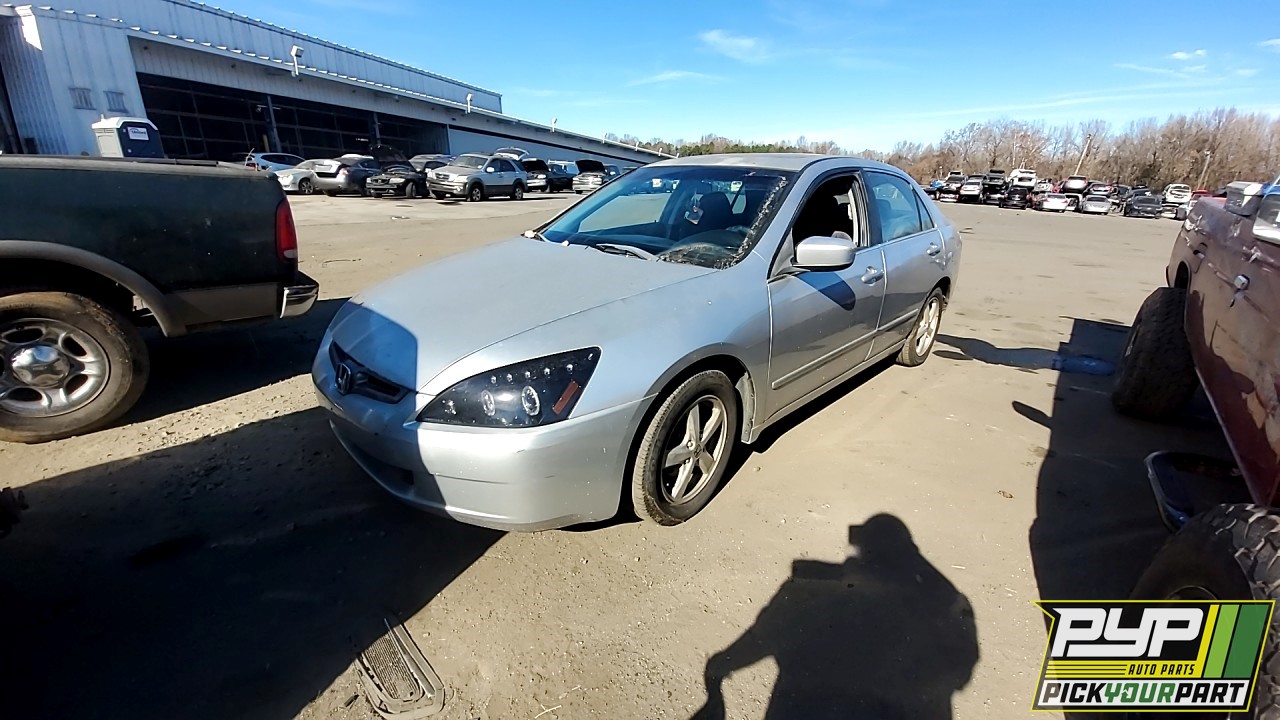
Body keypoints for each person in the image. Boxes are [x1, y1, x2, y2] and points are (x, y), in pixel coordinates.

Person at [694, 515, 979, 719]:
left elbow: (759, 640)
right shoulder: (940, 610)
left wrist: (718, 668)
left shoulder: (808, 593)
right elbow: (960, 671)